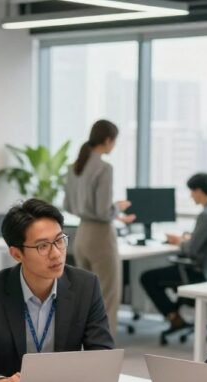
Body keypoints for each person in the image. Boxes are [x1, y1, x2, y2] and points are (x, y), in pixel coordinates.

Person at [0, 198, 114, 382]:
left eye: (59, 240)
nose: (56, 254)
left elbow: (102, 355)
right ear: (16, 254)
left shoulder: (85, 286)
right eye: (42, 246)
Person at [63, 119, 135, 334]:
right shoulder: (104, 168)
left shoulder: (74, 167)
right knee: (107, 297)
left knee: (84, 297)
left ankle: (83, 346)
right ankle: (105, 350)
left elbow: (68, 205)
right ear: (107, 140)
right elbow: (104, 212)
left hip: (81, 235)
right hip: (101, 237)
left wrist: (113, 212)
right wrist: (117, 209)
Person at [139, 173, 207, 332]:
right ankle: (175, 316)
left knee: (147, 277)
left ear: (198, 191)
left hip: (198, 272)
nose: (191, 196)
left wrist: (179, 242)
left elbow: (192, 250)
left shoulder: (206, 215)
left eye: (191, 191)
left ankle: (173, 316)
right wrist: (188, 239)